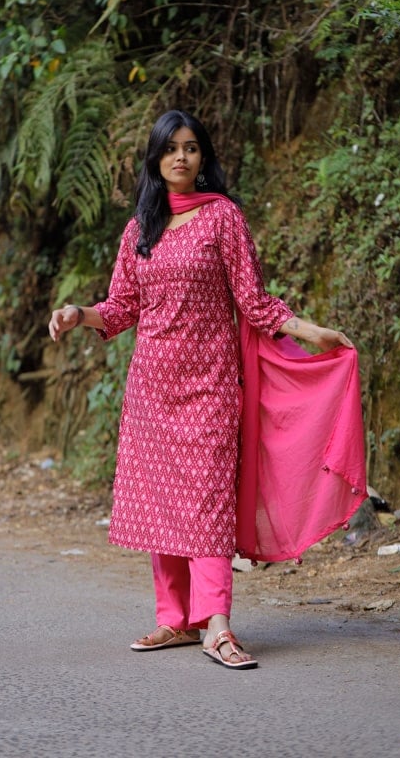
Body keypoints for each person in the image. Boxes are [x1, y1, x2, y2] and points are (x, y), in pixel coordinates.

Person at [48, 109, 354, 670]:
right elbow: (120, 310)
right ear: (156, 160)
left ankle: (216, 626)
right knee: (162, 504)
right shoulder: (139, 230)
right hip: (151, 390)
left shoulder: (223, 219)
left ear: (203, 157)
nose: (181, 157)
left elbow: (254, 301)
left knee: (208, 503)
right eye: (171, 149)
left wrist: (311, 332)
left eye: (191, 148)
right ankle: (175, 621)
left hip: (212, 386)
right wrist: (77, 313)